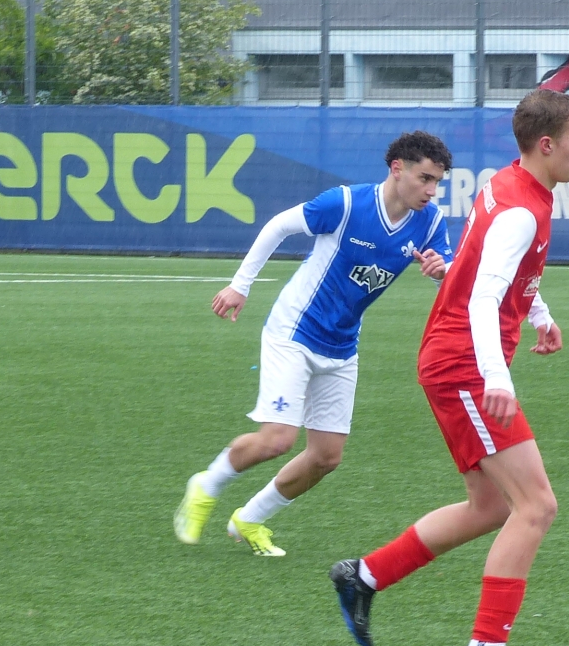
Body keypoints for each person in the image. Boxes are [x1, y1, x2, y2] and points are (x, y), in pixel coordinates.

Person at [329, 89, 569, 646]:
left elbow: (490, 268)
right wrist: (496, 377)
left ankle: (363, 576)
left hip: (456, 358)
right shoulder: (521, 210)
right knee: (536, 506)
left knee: (490, 506)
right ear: (548, 145)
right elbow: (482, 296)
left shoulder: (510, 183)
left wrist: (540, 314)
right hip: (465, 365)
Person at [174, 131, 454, 557]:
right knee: (277, 439)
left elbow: (448, 277)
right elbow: (278, 226)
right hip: (294, 332)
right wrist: (240, 285)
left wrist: (441, 271)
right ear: (397, 169)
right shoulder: (346, 204)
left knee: (326, 457)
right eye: (425, 178)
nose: (432, 191)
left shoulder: (430, 222)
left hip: (342, 346)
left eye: (437, 182)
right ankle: (206, 485)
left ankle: (250, 518)